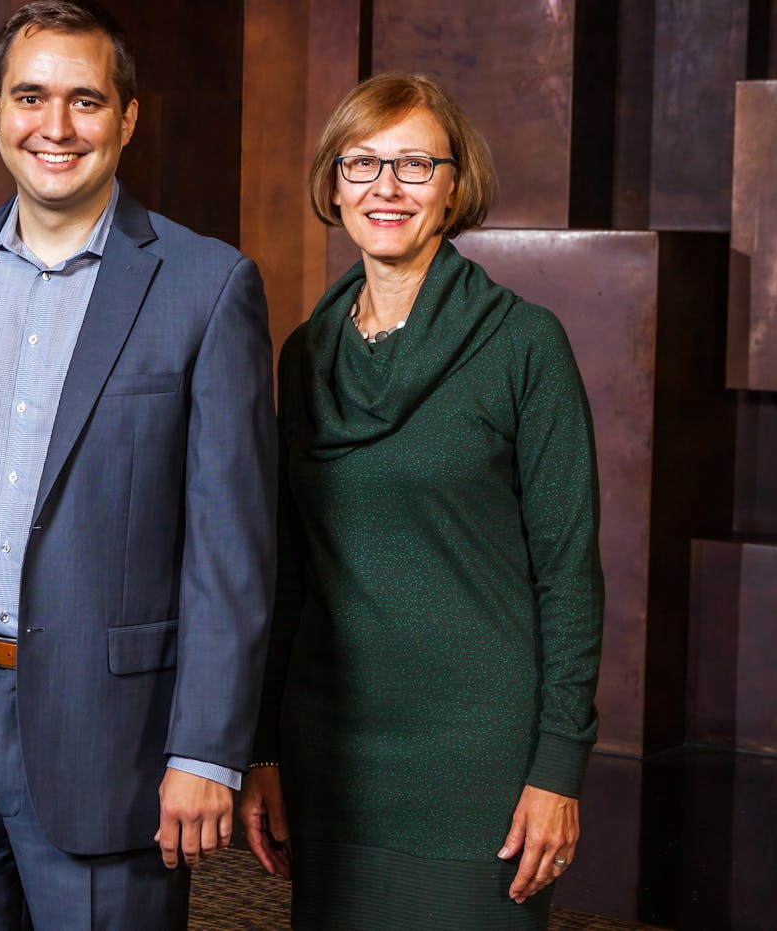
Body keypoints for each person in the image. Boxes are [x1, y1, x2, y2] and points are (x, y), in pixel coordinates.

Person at [0, 0, 276, 929]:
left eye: (85, 99)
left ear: (128, 118)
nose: (56, 126)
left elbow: (229, 548)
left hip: (115, 740)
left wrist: (206, 750)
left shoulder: (208, 286)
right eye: (30, 97)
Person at [239, 73, 605, 930]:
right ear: (333, 186)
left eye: (413, 163)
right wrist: (263, 750)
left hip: (478, 760)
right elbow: (286, 574)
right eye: (361, 163)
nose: (386, 188)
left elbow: (570, 575)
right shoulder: (305, 354)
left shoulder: (523, 345)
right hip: (332, 749)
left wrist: (558, 768)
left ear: (454, 184)